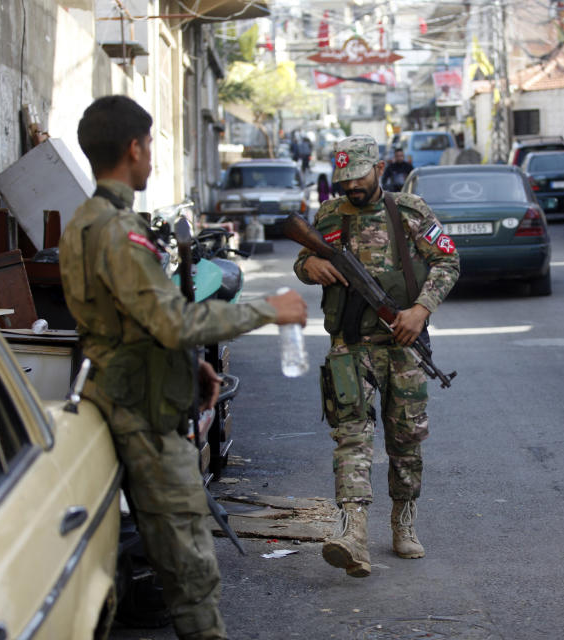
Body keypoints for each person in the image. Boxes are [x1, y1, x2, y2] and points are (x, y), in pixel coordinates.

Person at [59, 95, 307, 640]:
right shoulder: (121, 234)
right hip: (144, 417)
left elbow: (126, 323)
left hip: (122, 394)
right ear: (134, 148)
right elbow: (172, 323)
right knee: (191, 570)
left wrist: (187, 368)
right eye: (149, 145)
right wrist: (271, 309)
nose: (151, 156)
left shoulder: (82, 222)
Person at [292, 135, 460, 577]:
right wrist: (308, 267)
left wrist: (420, 311)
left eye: (359, 177)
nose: (352, 187)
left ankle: (403, 523)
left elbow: (447, 262)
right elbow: (303, 257)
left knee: (405, 441)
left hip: (402, 346)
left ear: (380, 168)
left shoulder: (410, 211)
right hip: (350, 347)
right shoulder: (329, 215)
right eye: (344, 179)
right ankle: (353, 534)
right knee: (352, 437)